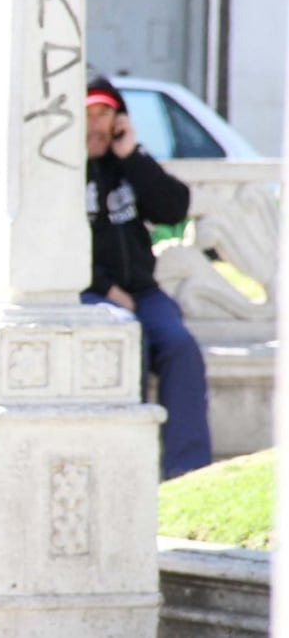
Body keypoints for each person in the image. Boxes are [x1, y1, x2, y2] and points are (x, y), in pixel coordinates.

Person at [82, 73, 213, 480]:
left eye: (104, 113)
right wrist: (106, 288)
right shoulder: (60, 171)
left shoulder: (127, 164)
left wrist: (132, 155)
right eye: (88, 114)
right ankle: (128, 469)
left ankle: (187, 472)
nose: (96, 125)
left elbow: (174, 208)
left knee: (180, 347)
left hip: (142, 291)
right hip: (89, 293)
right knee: (129, 338)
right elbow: (48, 243)